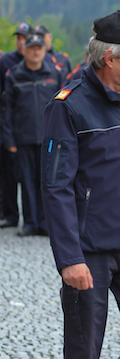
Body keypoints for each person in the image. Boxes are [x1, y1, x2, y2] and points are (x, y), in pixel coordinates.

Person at [41, 10, 120, 358]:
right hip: (89, 252)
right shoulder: (67, 107)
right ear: (109, 57)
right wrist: (69, 258)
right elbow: (56, 187)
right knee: (84, 349)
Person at [3, 34, 65, 237]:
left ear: (44, 50)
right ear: (25, 50)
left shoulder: (54, 75)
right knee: (27, 182)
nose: (36, 51)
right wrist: (9, 139)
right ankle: (30, 223)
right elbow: (7, 111)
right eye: (32, 48)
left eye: (39, 48)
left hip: (48, 140)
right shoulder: (14, 76)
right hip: (23, 139)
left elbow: (62, 108)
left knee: (47, 181)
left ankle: (46, 223)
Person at [0, 22, 33, 229]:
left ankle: (35, 217)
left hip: (30, 126)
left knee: (32, 177)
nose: (21, 42)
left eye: (24, 38)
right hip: (9, 122)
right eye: (18, 38)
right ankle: (10, 214)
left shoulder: (41, 61)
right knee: (8, 174)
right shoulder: (6, 61)